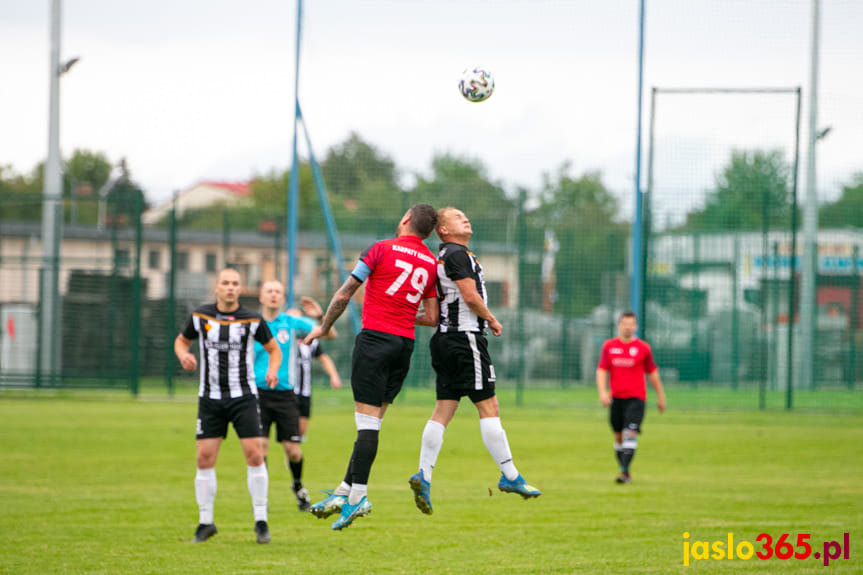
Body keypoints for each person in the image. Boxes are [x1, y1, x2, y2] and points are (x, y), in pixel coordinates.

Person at [303, 204, 440, 530]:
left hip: (375, 341)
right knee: (372, 424)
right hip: (404, 345)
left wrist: (323, 326)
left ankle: (358, 497)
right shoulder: (431, 263)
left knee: (366, 426)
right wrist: (403, 314)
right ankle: (344, 491)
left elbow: (345, 292)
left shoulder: (381, 249)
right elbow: (432, 317)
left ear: (405, 218)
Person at [409, 207, 541, 516]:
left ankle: (424, 476)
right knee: (489, 406)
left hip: (443, 340)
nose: (465, 218)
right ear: (442, 230)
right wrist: (492, 319)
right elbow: (469, 297)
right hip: (465, 338)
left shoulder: (441, 257)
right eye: (456, 216)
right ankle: (510, 476)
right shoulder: (457, 254)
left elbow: (435, 310)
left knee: (444, 409)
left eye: (466, 215)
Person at [174, 268, 281, 544]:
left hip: (243, 397)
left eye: (235, 283)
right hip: (210, 399)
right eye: (225, 283)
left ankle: (261, 521)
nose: (230, 287)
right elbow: (181, 341)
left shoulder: (252, 318)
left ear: (239, 288)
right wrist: (183, 355)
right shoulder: (201, 316)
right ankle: (205, 522)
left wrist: (272, 370)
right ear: (216, 287)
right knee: (204, 458)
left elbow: (274, 349)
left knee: (255, 455)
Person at [253, 283, 336, 512]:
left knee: (293, 450)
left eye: (278, 292)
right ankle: (262, 496)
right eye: (269, 291)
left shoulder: (290, 324)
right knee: (259, 448)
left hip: (285, 396)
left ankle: (298, 487)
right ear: (261, 297)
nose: (273, 295)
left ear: (282, 298)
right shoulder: (251, 325)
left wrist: (320, 316)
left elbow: (329, 334)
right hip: (257, 395)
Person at [596, 311, 667, 484]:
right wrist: (603, 392)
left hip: (636, 399)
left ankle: (624, 472)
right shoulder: (609, 346)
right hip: (617, 399)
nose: (628, 327)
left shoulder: (643, 348)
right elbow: (602, 369)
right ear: (619, 325)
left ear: (635, 326)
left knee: (630, 433)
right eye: (624, 324)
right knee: (619, 436)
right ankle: (624, 471)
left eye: (631, 324)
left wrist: (660, 396)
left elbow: (653, 373)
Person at [286, 300, 343, 442]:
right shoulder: (280, 338)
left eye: (297, 318)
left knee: (300, 432)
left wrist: (334, 375)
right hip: (285, 390)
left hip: (304, 391)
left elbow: (328, 342)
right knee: (287, 432)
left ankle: (293, 456)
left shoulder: (309, 339)